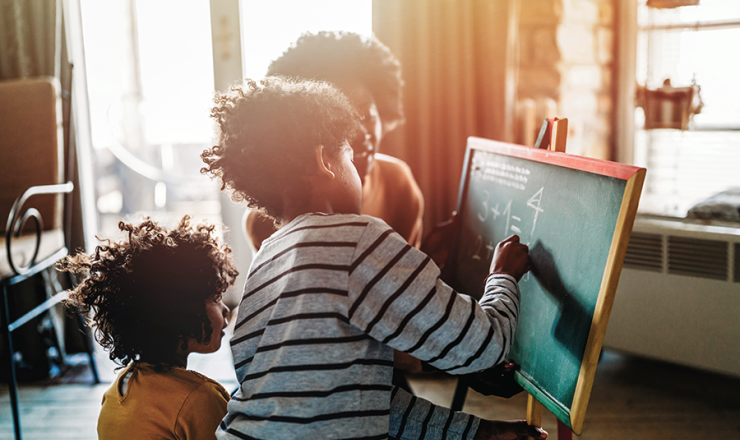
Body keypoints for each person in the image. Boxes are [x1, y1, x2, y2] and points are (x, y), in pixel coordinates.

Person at [201, 77, 546, 440]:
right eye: (349, 155)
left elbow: (357, 400)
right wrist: (502, 276)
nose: (359, 169)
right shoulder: (357, 238)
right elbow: (484, 346)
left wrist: (478, 432)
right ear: (323, 161)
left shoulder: (266, 260)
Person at [57, 217, 239, 440]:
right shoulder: (201, 399)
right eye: (215, 298)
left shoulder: (115, 394)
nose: (225, 310)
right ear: (179, 314)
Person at [244, 31, 424, 251]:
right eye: (338, 122)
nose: (360, 133)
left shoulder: (397, 184)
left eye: (367, 115)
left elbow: (405, 275)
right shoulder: (266, 219)